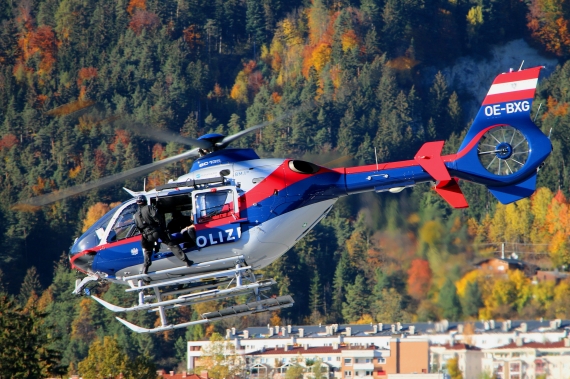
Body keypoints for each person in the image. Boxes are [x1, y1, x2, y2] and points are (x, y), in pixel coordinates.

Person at [133, 195, 193, 274]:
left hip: (146, 235)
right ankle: (186, 261)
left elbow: (138, 227)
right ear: (145, 201)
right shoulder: (149, 208)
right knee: (172, 244)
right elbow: (157, 217)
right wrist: (161, 226)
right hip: (157, 231)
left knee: (148, 251)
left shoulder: (135, 215)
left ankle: (145, 268)